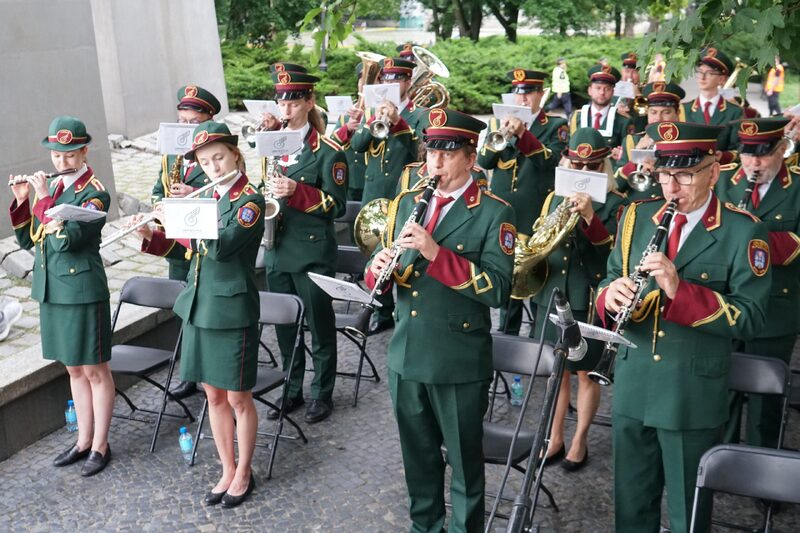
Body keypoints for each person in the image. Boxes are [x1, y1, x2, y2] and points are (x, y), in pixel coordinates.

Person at [596, 121, 771, 532]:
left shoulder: (744, 230)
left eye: (685, 174)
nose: (672, 187)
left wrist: (680, 290)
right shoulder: (636, 217)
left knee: (687, 515)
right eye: (665, 174)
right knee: (631, 507)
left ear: (714, 172)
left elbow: (751, 317)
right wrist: (610, 296)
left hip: (690, 393)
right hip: (634, 383)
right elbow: (606, 279)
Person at [366, 108, 514, 532]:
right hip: (407, 352)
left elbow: (499, 290)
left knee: (466, 464)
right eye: (431, 151)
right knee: (419, 458)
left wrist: (436, 254)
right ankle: (425, 526)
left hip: (457, 358)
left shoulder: (493, 212)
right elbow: (383, 276)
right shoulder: (406, 203)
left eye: (448, 154)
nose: (436, 162)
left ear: (470, 158)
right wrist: (378, 268)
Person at [135, 121, 264, 507]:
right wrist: (151, 234)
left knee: (240, 398)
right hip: (199, 307)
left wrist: (183, 214)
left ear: (236, 154)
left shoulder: (250, 202)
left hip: (231, 310)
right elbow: (185, 252)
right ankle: (226, 468)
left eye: (219, 158)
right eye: (206, 162)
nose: (214, 167)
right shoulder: (206, 199)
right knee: (213, 397)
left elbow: (221, 246)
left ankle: (245, 471)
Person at [9, 116, 114, 477]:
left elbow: (67, 241)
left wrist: (42, 200)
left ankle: (101, 443)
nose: (61, 161)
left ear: (85, 151)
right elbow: (31, 242)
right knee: (72, 367)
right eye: (56, 154)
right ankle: (83, 439)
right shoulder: (51, 189)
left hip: (82, 289)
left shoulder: (95, 193)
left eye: (70, 155)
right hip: (53, 288)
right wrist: (24, 203)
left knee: (95, 369)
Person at [532, 128, 626, 469]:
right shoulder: (553, 198)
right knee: (555, 372)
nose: (583, 174)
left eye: (591, 167)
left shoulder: (617, 204)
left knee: (585, 373)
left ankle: (579, 439)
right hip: (553, 293)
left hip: (587, 296)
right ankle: (554, 436)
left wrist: (589, 217)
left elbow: (612, 258)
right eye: (577, 166)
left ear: (603, 167)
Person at [261, 67, 348, 423]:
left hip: (312, 250)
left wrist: (300, 193)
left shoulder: (329, 151)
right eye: (282, 101)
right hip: (277, 247)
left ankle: (322, 393)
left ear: (309, 102)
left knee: (319, 324)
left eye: (294, 101)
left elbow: (338, 206)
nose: (286, 109)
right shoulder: (272, 142)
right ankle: (291, 389)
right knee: (284, 326)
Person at [717, 117, 800, 448]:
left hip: (776, 308)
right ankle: (717, 460)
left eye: (762, 155)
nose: (753, 163)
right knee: (722, 389)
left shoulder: (797, 187)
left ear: (782, 149)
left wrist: (751, 239)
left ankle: (764, 473)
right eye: (746, 154)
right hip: (726, 303)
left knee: (767, 397)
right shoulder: (722, 182)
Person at [480, 68, 569, 335]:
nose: (522, 99)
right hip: (504, 213)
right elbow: (484, 162)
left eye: (529, 93)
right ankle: (507, 333)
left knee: (536, 276)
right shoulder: (500, 125)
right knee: (507, 275)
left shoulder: (555, 126)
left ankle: (536, 339)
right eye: (519, 93)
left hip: (535, 213)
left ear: (541, 95)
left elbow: (552, 163)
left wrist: (523, 136)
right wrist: (503, 137)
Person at [151, 84, 222, 401]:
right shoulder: (171, 156)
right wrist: (160, 205)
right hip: (177, 248)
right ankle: (189, 374)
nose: (188, 128)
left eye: (194, 123)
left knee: (205, 311)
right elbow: (157, 188)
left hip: (205, 248)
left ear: (209, 119)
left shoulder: (220, 156)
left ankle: (212, 374)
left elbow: (225, 201)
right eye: (183, 121)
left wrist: (190, 196)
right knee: (182, 310)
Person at [351, 56, 426, 335]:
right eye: (387, 79)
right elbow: (357, 145)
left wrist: (399, 123)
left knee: (404, 255)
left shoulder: (419, 115)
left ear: (408, 82)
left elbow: (420, 152)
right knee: (376, 252)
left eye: (397, 79)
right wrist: (373, 118)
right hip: (373, 194)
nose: (391, 83)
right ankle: (381, 311)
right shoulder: (374, 111)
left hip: (402, 194)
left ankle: (406, 309)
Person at [615, 82, 686, 202]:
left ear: (677, 113)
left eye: (666, 112)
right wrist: (634, 161)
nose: (658, 118)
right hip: (639, 210)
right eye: (653, 112)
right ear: (647, 113)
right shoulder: (632, 141)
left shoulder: (686, 142)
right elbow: (617, 186)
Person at [681, 47, 743, 154]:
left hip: (720, 168)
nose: (702, 77)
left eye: (709, 73)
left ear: (721, 79)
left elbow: (737, 148)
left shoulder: (734, 112)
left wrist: (721, 156)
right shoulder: (683, 109)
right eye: (700, 72)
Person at [569, 64, 633, 150]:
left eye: (607, 89)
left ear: (613, 92)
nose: (602, 92)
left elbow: (626, 156)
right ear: (590, 90)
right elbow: (570, 148)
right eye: (598, 88)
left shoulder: (623, 121)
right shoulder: (577, 117)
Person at [330, 62, 366, 202]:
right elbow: (332, 141)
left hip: (369, 177)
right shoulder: (348, 112)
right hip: (349, 176)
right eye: (361, 80)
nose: (363, 84)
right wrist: (348, 128)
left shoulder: (380, 112)